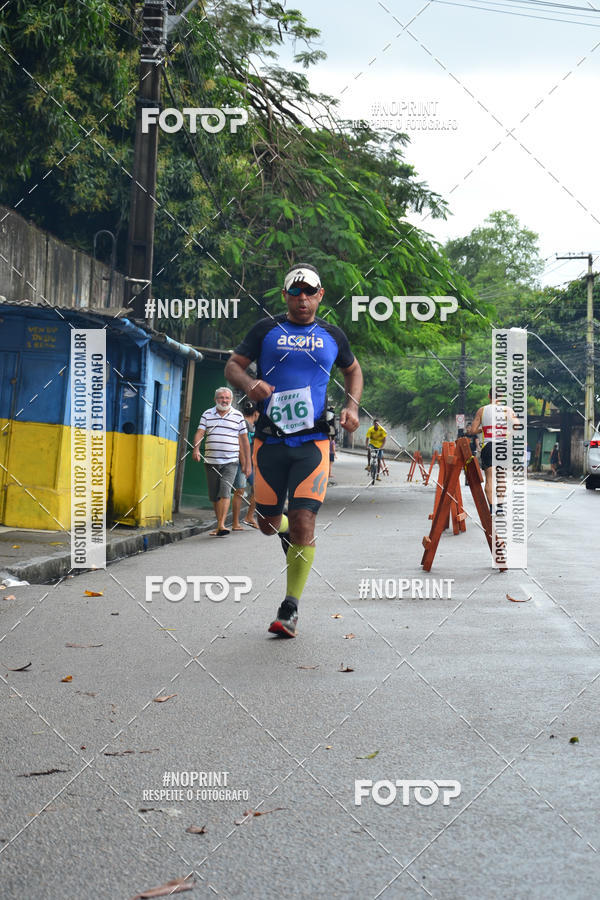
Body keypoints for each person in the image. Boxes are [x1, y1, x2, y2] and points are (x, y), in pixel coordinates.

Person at [224, 261, 363, 637]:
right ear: (285, 295)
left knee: (305, 520)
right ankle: (281, 526)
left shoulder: (332, 335)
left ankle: (290, 608)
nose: (302, 298)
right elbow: (233, 365)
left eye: (309, 291)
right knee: (266, 525)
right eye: (295, 291)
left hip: (313, 443)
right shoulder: (266, 330)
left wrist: (351, 406)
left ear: (320, 295)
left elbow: (353, 370)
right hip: (269, 441)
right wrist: (250, 383)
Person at [192, 387, 251, 536]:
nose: (224, 401)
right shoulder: (207, 414)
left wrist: (247, 463)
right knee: (214, 495)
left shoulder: (238, 416)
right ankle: (220, 524)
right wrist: (196, 449)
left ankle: (222, 524)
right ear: (215, 399)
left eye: (227, 398)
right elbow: (200, 432)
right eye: (221, 398)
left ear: (231, 400)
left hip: (231, 461)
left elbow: (244, 440)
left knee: (225, 491)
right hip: (211, 461)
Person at [468, 387, 518, 512]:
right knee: (501, 477)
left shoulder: (482, 410)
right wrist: (508, 434)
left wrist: (483, 429)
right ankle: (500, 507)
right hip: (503, 446)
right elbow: (517, 425)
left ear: (489, 396)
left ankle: (491, 507)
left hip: (488, 447)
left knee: (489, 478)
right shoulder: (507, 410)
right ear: (501, 396)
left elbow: (472, 431)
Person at [242, 400, 260, 527]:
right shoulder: (247, 426)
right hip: (245, 462)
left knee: (239, 490)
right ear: (256, 413)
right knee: (256, 489)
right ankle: (248, 517)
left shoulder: (246, 424)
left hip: (246, 461)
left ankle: (247, 517)